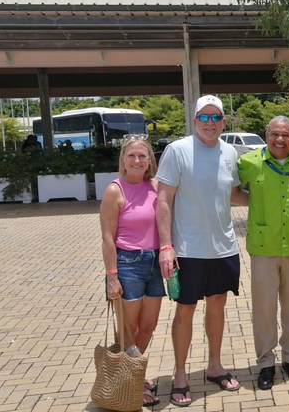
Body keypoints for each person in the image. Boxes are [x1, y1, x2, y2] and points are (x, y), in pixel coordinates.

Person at [156, 95, 246, 407]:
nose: (210, 123)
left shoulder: (230, 152)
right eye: (204, 117)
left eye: (216, 117)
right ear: (195, 121)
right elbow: (163, 199)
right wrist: (166, 246)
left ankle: (215, 365)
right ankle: (180, 374)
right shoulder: (177, 150)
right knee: (185, 310)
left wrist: (275, 200)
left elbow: (234, 194)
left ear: (223, 121)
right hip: (187, 249)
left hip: (224, 248)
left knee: (218, 305)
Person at [237, 116, 289, 390]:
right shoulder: (248, 162)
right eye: (275, 134)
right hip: (264, 245)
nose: (280, 140)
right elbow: (231, 192)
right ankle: (265, 363)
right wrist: (258, 206)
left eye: (286, 135)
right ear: (266, 135)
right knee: (264, 307)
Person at [100, 134, 164, 408]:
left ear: (150, 159)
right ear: (123, 160)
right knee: (128, 330)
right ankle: (129, 386)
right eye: (131, 156)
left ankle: (134, 374)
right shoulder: (115, 190)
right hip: (128, 265)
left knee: (148, 327)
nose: (137, 161)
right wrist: (112, 277)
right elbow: (107, 237)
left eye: (142, 155)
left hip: (155, 263)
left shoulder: (157, 186)